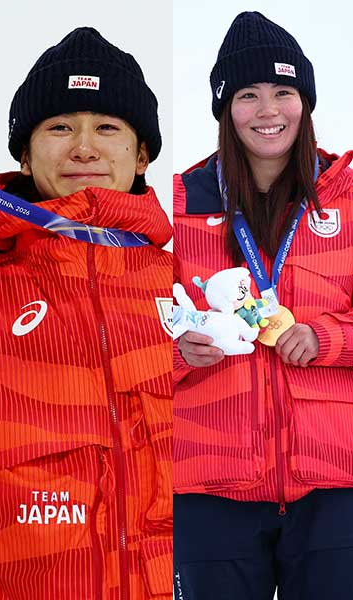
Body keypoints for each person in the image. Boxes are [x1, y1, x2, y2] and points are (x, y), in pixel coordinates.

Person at [173, 12, 353, 599]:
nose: (268, 110)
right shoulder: (178, 206)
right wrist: (178, 354)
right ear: (225, 108)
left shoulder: (348, 197)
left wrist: (328, 337)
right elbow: (128, 335)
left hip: (336, 483)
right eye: (248, 94)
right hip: (209, 485)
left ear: (306, 102)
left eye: (283, 92)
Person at [0, 28, 174, 599]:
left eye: (107, 128)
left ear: (141, 155)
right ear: (24, 154)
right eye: (60, 127)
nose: (84, 149)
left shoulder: (193, 282)